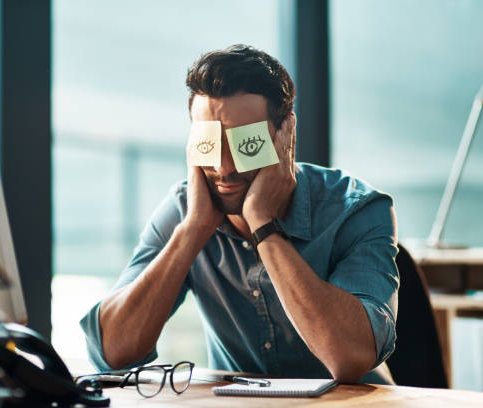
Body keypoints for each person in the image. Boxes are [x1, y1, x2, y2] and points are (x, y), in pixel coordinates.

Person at [81, 44, 399, 383]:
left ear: (285, 134)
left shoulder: (357, 209)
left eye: (247, 144)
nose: (224, 168)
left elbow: (350, 359)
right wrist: (192, 231)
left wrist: (264, 227)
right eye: (210, 143)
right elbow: (112, 355)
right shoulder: (185, 210)